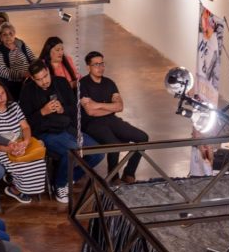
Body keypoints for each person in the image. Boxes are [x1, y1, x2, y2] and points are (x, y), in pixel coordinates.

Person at [19, 59, 103, 204]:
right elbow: (25, 122)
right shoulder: (27, 91)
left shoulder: (61, 82)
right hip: (46, 133)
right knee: (72, 151)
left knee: (98, 153)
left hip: (67, 127)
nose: (44, 82)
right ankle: (60, 185)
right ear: (32, 78)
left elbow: (75, 108)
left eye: (45, 76)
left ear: (48, 71)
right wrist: (42, 112)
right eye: (39, 79)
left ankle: (70, 178)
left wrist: (63, 109)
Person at [79, 51, 150, 185]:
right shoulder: (82, 84)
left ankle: (129, 174)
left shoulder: (109, 83)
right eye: (96, 64)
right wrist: (109, 107)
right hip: (92, 124)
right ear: (88, 67)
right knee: (114, 144)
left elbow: (120, 106)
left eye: (102, 64)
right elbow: (90, 111)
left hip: (111, 120)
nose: (100, 67)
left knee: (143, 137)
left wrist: (98, 105)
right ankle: (113, 176)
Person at [0, 79, 46, 201]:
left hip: (18, 142)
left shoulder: (14, 106)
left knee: (38, 161)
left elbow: (25, 127)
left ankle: (15, 182)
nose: (2, 97)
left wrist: (26, 142)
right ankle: (15, 189)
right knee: (23, 165)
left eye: (3, 93)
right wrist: (7, 149)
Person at [0, 21, 36, 99]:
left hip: (29, 79)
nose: (8, 37)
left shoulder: (21, 44)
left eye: (10, 33)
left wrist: (35, 70)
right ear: (0, 37)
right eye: (4, 34)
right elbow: (2, 71)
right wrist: (23, 74)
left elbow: (32, 58)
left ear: (14, 34)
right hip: (12, 85)